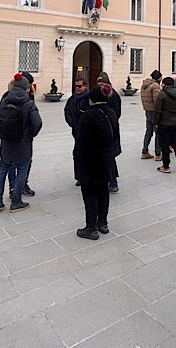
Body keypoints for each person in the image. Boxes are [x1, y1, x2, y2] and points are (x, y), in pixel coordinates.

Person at [73, 84, 118, 240]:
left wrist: (77, 158)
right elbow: (115, 136)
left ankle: (90, 227)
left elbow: (82, 141)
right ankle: (102, 222)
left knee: (90, 194)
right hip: (106, 158)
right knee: (103, 191)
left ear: (91, 99)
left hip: (90, 161)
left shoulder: (88, 115)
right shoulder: (111, 113)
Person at [0, 74, 42, 213]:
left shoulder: (5, 99)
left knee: (2, 168)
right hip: (23, 142)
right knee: (22, 170)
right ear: (26, 88)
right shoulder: (28, 103)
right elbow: (37, 123)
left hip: (6, 141)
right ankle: (16, 202)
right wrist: (31, 134)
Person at [153, 77, 176, 173]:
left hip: (164, 123)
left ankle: (166, 166)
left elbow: (157, 110)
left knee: (165, 145)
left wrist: (155, 122)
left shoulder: (162, 94)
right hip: (175, 122)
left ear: (164, 84)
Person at [95, 72, 121, 192]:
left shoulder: (113, 96)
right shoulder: (99, 95)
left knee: (109, 157)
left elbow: (116, 114)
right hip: (101, 131)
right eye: (98, 85)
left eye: (102, 84)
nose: (100, 87)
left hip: (110, 131)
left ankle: (113, 182)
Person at [140, 70, 162, 160]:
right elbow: (157, 100)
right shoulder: (155, 86)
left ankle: (144, 151)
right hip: (154, 112)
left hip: (148, 110)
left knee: (149, 131)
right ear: (158, 78)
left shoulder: (145, 85)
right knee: (158, 132)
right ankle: (158, 153)